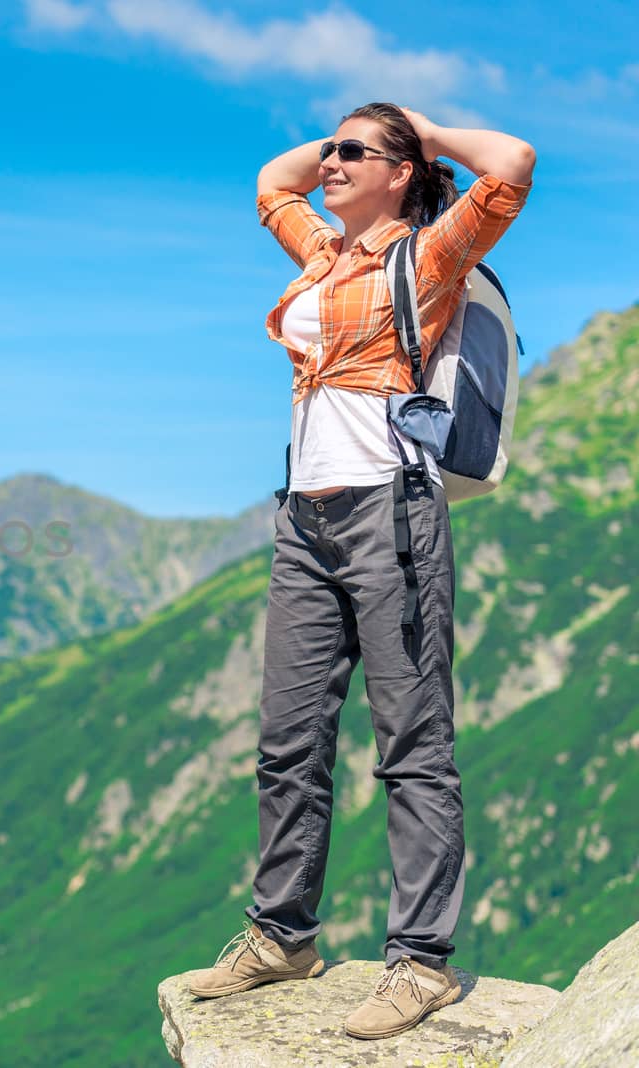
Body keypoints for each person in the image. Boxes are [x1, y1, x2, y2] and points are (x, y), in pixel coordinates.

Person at [185, 103, 534, 1041]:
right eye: (331, 148)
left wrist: (421, 127)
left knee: (412, 743)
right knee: (288, 739)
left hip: (393, 513)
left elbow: (510, 164)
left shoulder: (427, 258)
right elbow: (272, 183)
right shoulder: (322, 256)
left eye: (352, 153)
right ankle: (281, 935)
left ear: (403, 170)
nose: (329, 163)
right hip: (304, 517)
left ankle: (420, 962)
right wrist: (348, 139)